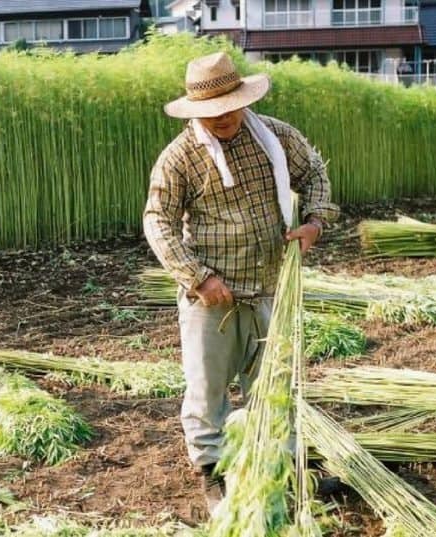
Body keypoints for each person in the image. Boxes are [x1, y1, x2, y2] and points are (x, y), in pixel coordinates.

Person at [142, 52, 340, 510]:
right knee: (208, 388)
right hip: (213, 298)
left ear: (241, 99)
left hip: (272, 285)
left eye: (229, 106)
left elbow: (314, 174)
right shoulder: (180, 159)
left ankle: (283, 467)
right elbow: (159, 223)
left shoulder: (274, 137)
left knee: (275, 384)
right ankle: (212, 472)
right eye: (212, 112)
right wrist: (199, 277)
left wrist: (313, 222)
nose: (223, 117)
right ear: (197, 111)